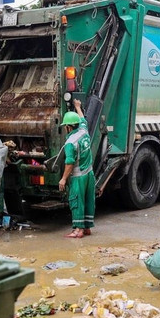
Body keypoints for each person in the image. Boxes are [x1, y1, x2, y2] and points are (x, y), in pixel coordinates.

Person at [58, 99, 96, 238]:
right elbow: (83, 120)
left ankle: (78, 230)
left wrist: (63, 179)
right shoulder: (84, 131)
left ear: (68, 127)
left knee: (76, 200)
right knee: (88, 200)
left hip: (78, 176)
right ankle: (87, 228)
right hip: (89, 174)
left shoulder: (70, 143)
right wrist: (78, 107)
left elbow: (69, 163)